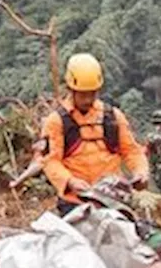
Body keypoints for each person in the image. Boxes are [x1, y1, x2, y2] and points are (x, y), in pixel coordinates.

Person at [40, 53, 148, 214]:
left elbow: (131, 151)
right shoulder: (56, 122)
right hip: (75, 201)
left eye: (92, 93)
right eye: (83, 94)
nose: (88, 99)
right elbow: (50, 161)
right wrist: (70, 181)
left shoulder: (112, 117)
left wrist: (140, 172)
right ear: (71, 90)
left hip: (112, 200)